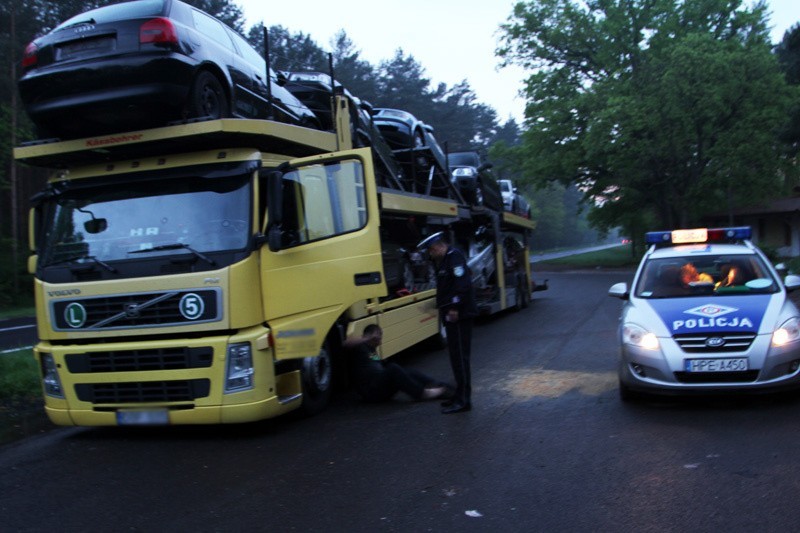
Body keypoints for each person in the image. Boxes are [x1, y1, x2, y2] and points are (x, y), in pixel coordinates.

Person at [418, 231, 477, 414]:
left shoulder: (454, 257)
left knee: (460, 358)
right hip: (452, 315)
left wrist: (454, 308)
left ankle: (464, 400)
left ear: (437, 247)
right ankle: (459, 395)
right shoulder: (445, 260)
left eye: (431, 251)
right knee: (455, 358)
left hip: (458, 316)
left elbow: (462, 285)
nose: (430, 255)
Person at [344, 324, 451, 403]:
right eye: (379, 336)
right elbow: (345, 344)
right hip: (371, 391)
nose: (380, 340)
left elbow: (376, 365)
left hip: (379, 386)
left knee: (407, 370)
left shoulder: (372, 350)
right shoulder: (359, 347)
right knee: (393, 368)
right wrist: (367, 338)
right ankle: (422, 394)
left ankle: (438, 385)